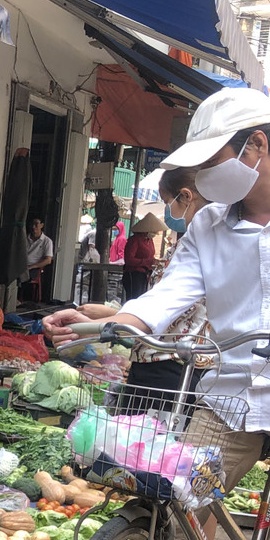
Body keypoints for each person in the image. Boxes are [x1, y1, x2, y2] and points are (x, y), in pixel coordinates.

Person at [44, 86, 270, 496]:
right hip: (230, 399)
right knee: (175, 497)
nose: (203, 176)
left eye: (210, 163)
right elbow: (167, 296)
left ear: (256, 145)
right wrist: (95, 327)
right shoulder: (207, 225)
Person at [74, 171, 211, 403]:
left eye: (167, 202)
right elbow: (161, 306)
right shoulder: (187, 245)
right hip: (153, 358)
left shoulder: (209, 248)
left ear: (186, 197)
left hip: (173, 362)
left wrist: (98, 324)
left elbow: (175, 308)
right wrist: (110, 317)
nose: (167, 210)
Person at [121, 213, 165, 300]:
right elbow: (129, 259)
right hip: (134, 275)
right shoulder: (134, 240)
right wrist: (146, 262)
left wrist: (154, 262)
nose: (155, 234)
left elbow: (150, 256)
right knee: (134, 299)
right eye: (153, 231)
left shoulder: (150, 240)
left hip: (145, 275)